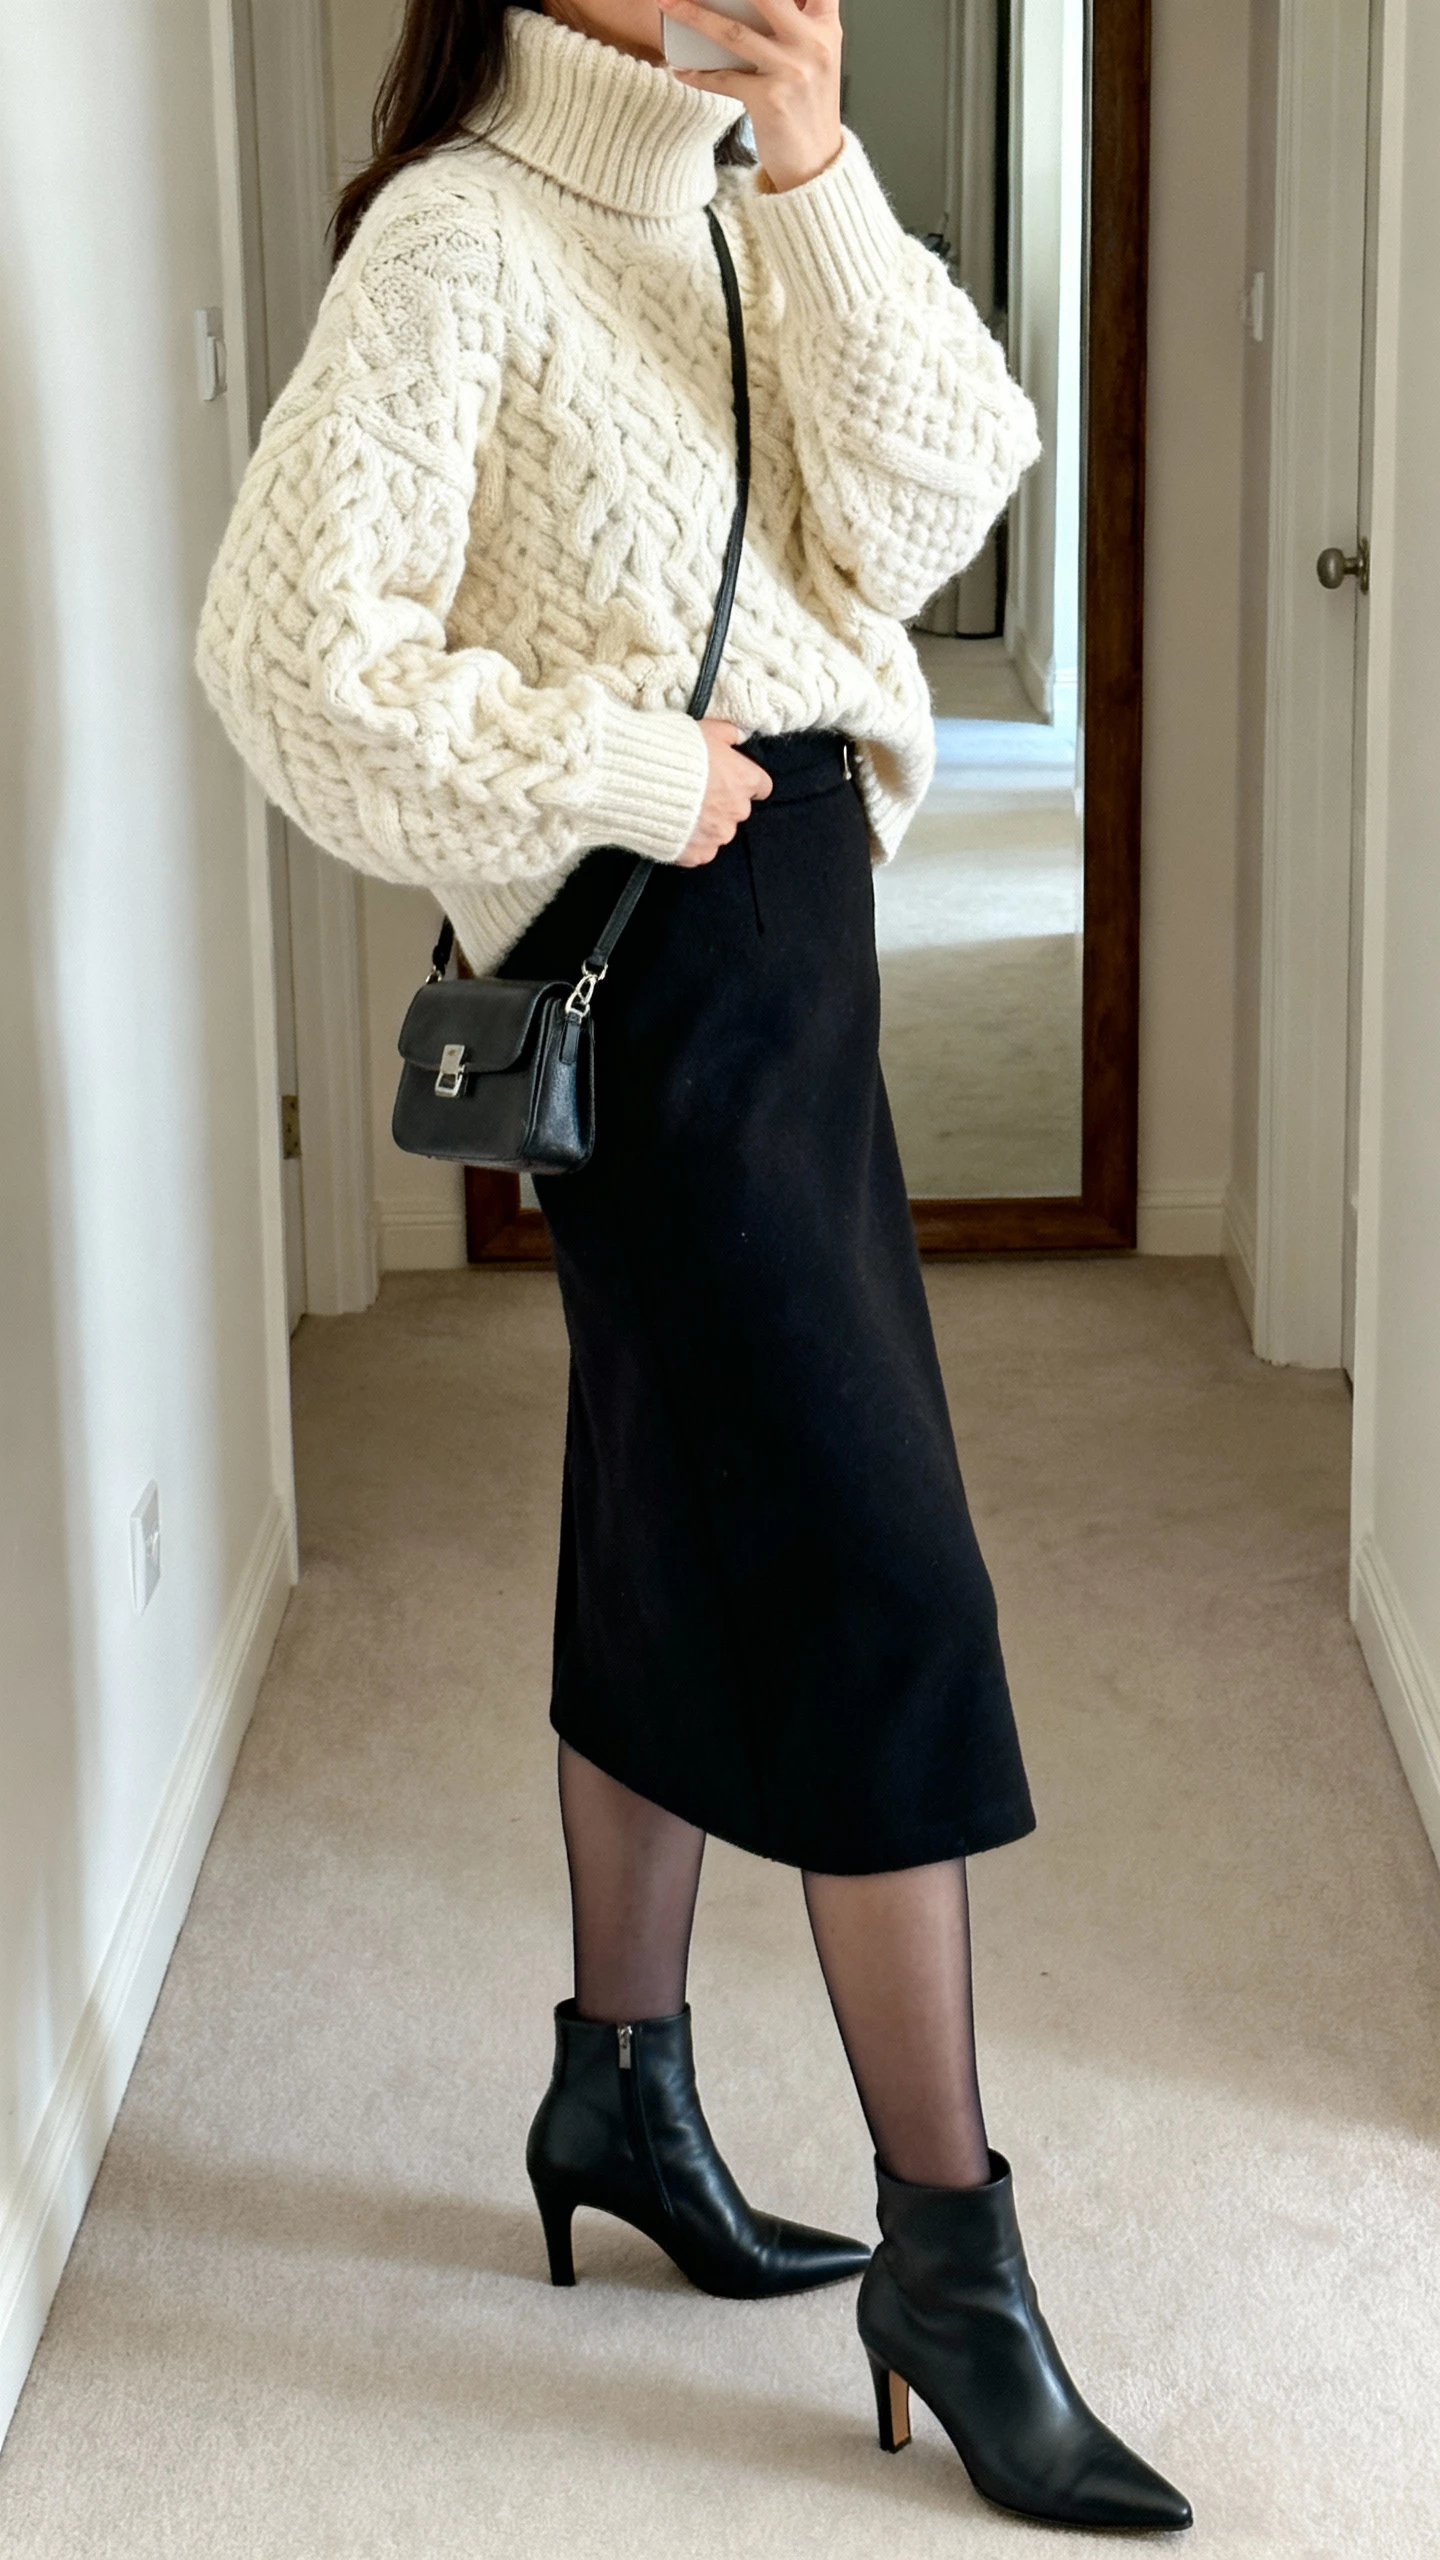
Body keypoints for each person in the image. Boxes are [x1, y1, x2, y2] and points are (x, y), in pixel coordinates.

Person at [198, 0, 1191, 2531]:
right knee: (876, 1562)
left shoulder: (755, 202)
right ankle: (955, 2254)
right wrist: (624, 764)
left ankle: (618, 2081)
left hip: (805, 936)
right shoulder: (461, 236)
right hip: (659, 946)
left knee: (665, 1510)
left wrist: (824, 175)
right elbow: (291, 659)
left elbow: (957, 485)